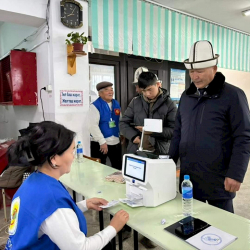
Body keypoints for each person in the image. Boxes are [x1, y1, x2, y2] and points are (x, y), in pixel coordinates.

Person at [5, 121, 129, 250]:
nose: (73, 157)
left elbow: (51, 220)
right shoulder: (51, 197)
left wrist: (84, 205)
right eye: (71, 151)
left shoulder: (36, 180)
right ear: (54, 159)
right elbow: (81, 248)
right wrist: (113, 227)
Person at [169, 40, 250, 213]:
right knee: (190, 224)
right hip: (190, 177)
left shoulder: (233, 95)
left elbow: (243, 137)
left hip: (219, 179)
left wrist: (236, 173)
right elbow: (177, 133)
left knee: (223, 229)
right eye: (191, 71)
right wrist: (168, 164)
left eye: (200, 71)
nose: (195, 76)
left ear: (214, 68)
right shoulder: (186, 96)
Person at [120, 72, 177, 155]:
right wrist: (133, 137)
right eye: (143, 91)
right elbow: (123, 123)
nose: (147, 94)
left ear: (158, 84)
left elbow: (174, 130)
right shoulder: (135, 102)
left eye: (150, 89)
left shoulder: (170, 104)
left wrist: (152, 130)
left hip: (160, 151)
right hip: (136, 150)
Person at [88, 81, 122, 170]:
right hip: (100, 143)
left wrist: (121, 134)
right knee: (100, 169)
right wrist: (102, 141)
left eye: (111, 89)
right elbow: (92, 126)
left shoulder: (116, 103)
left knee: (118, 168)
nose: (110, 92)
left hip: (115, 141)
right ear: (100, 93)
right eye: (107, 90)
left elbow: (119, 120)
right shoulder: (95, 106)